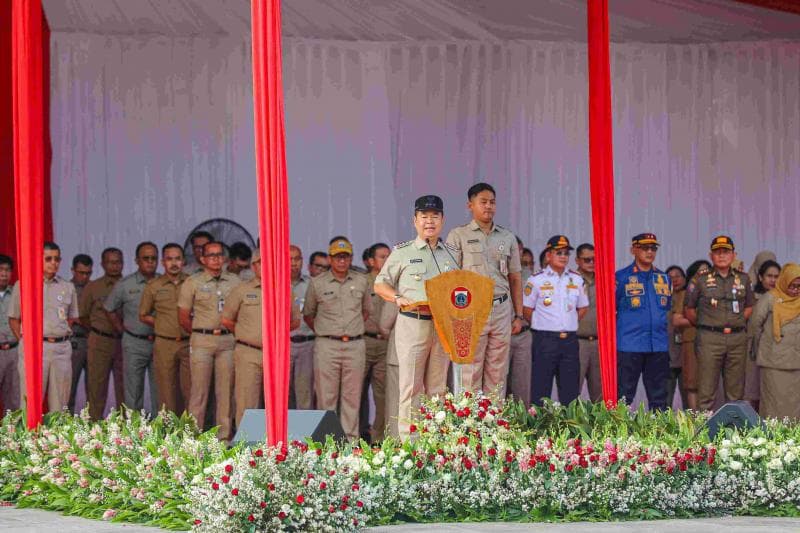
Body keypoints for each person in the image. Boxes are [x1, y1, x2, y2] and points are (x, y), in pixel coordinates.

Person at [374, 195, 460, 438]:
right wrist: (397, 298)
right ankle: (409, 445)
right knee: (410, 387)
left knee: (437, 389)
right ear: (415, 221)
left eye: (434, 216)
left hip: (442, 326)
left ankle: (434, 443)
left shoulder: (451, 254)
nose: (429, 222)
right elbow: (380, 284)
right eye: (424, 217)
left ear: (442, 220)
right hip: (413, 323)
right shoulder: (402, 252)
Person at [445, 183, 524, 394]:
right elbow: (451, 278)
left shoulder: (507, 237)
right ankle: (468, 422)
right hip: (470, 309)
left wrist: (519, 315)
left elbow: (515, 278)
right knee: (469, 369)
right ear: (470, 205)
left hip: (501, 308)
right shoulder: (458, 235)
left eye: (492, 202)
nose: (488, 206)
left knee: (497, 370)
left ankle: (493, 423)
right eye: (483, 202)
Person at [222, 248, 301, 426]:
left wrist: (276, 335)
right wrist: (247, 334)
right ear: (253, 266)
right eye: (260, 262)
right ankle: (244, 445)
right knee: (246, 401)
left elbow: (295, 321)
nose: (265, 266)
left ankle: (276, 446)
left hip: (277, 353)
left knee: (277, 402)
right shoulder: (241, 289)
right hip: (249, 352)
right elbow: (226, 320)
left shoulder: (284, 288)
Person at [303, 237, 371, 441]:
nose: (342, 261)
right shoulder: (317, 282)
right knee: (326, 396)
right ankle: (327, 441)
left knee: (352, 396)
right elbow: (308, 314)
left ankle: (350, 440)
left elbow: (366, 311)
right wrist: (327, 331)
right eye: (337, 257)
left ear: (351, 258)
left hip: (355, 344)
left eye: (345, 257)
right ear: (330, 259)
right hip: (327, 345)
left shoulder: (361, 281)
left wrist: (349, 330)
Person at [178, 241, 241, 441]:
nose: (216, 259)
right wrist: (200, 333)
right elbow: (183, 316)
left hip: (227, 341)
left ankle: (223, 437)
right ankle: (194, 437)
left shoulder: (234, 281)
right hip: (202, 339)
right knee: (199, 391)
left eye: (219, 255)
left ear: (224, 258)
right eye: (211, 255)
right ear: (202, 259)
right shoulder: (193, 282)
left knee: (225, 391)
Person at [684, 236, 754, 411]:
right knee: (706, 390)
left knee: (736, 391)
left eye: (726, 252)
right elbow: (689, 310)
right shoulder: (699, 279)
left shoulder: (744, 279)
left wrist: (735, 322)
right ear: (711, 255)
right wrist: (706, 324)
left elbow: (750, 306)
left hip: (737, 339)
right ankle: (704, 432)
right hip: (709, 338)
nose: (722, 255)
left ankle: (734, 431)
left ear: (733, 255)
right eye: (717, 252)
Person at [8, 242, 79, 411]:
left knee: (60, 404)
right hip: (34, 348)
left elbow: (71, 319)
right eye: (48, 259)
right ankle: (28, 437)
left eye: (57, 259)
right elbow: (14, 319)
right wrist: (26, 341)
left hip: (61, 348)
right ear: (38, 260)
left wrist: (56, 334)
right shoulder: (24, 284)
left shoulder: (67, 287)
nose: (53, 263)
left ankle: (55, 437)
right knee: (29, 402)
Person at [523, 235, 588, 406]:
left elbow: (582, 308)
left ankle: (569, 428)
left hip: (569, 341)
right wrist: (545, 324)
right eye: (558, 252)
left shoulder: (576, 279)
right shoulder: (536, 280)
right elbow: (527, 310)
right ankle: (538, 428)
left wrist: (568, 321)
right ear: (548, 255)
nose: (563, 256)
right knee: (540, 388)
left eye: (566, 253)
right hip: (544, 340)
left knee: (570, 391)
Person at [615, 234, 671, 410]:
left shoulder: (663, 278)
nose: (649, 252)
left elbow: (667, 308)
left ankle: (659, 434)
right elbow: (611, 308)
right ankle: (619, 433)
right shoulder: (621, 277)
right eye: (644, 248)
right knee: (624, 396)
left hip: (658, 345)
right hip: (629, 345)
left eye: (653, 248)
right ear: (633, 250)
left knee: (659, 397)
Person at [104, 242, 159, 414]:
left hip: (160, 343)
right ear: (137, 260)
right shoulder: (125, 284)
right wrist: (122, 329)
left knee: (161, 390)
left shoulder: (163, 283)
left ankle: (162, 432)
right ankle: (135, 432)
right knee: (133, 390)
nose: (150, 262)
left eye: (154, 258)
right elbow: (109, 308)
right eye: (146, 258)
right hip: (134, 342)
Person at [139, 243, 192, 415]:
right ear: (163, 262)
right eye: (169, 259)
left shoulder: (192, 282)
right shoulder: (154, 286)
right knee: (166, 390)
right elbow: (143, 314)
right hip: (164, 344)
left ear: (183, 261)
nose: (174, 263)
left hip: (188, 343)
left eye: (177, 258)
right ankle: (170, 434)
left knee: (190, 390)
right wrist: (162, 324)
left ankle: (190, 433)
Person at [747, 263, 800, 421]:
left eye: (799, 286)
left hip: (796, 363)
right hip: (773, 362)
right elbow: (755, 324)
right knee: (772, 407)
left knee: (794, 406)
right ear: (784, 282)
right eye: (792, 286)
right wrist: (757, 349)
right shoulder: (770, 298)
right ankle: (772, 442)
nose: (795, 290)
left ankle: (793, 441)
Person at [80, 247, 125, 420]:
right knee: (96, 386)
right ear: (103, 264)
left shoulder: (128, 285)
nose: (115, 266)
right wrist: (98, 331)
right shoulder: (93, 287)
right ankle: (94, 427)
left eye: (119, 262)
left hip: (124, 343)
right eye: (111, 262)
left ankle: (126, 431)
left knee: (125, 388)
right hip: (99, 341)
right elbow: (83, 316)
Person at [360, 242, 390, 442]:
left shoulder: (394, 282)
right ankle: (357, 435)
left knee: (383, 395)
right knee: (356, 394)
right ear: (371, 261)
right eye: (382, 256)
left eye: (389, 256)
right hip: (364, 342)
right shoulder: (361, 281)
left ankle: (378, 439)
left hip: (385, 344)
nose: (387, 260)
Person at [672, 259, 711, 411]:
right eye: (701, 272)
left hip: (712, 342)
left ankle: (709, 419)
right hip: (691, 340)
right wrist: (703, 320)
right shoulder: (686, 292)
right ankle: (696, 421)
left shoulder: (717, 293)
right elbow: (676, 320)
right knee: (692, 384)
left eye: (708, 271)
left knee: (709, 384)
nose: (705, 275)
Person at [744, 258, 781, 412]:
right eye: (769, 276)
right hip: (751, 350)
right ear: (760, 277)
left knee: (771, 393)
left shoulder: (784, 298)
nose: (773, 280)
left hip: (774, 352)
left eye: (776, 276)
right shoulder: (751, 296)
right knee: (752, 391)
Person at [507, 237, 533, 406]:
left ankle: (522, 423)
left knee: (522, 384)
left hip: (523, 335)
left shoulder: (531, 277)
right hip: (500, 333)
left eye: (520, 251)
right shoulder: (496, 274)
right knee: (497, 382)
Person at [289, 245, 316, 409]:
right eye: (289, 259)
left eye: (297, 259)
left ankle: (302, 434)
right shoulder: (273, 284)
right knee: (282, 394)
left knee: (304, 392)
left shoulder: (311, 284)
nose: (294, 263)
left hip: (307, 343)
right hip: (283, 345)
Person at [575, 243, 601, 402]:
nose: (591, 263)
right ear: (577, 260)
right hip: (577, 342)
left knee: (600, 393)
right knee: (572, 390)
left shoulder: (605, 280)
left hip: (599, 343)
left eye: (594, 259)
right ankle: (570, 426)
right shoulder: (571, 280)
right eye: (587, 260)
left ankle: (600, 426)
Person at [68, 254, 92, 413]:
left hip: (92, 341)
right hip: (73, 342)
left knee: (94, 389)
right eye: (80, 272)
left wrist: (79, 319)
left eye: (87, 273)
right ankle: (66, 423)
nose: (84, 276)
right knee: (69, 387)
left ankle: (91, 426)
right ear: (72, 270)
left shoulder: (94, 288)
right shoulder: (65, 288)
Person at [665, 265, 688, 409]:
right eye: (670, 277)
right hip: (667, 351)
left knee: (688, 393)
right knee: (666, 395)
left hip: (686, 350)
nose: (675, 280)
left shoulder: (691, 296)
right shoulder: (662, 298)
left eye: (678, 276)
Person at [0, 255, 20, 413]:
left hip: (14, 350)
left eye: (7, 270)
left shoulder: (17, 293)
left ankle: (11, 436)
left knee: (14, 400)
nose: (4, 274)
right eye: (0, 269)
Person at [379, 302, 400, 439]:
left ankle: (395, 442)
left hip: (399, 352)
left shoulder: (399, 288)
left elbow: (384, 325)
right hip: (429, 354)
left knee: (395, 401)